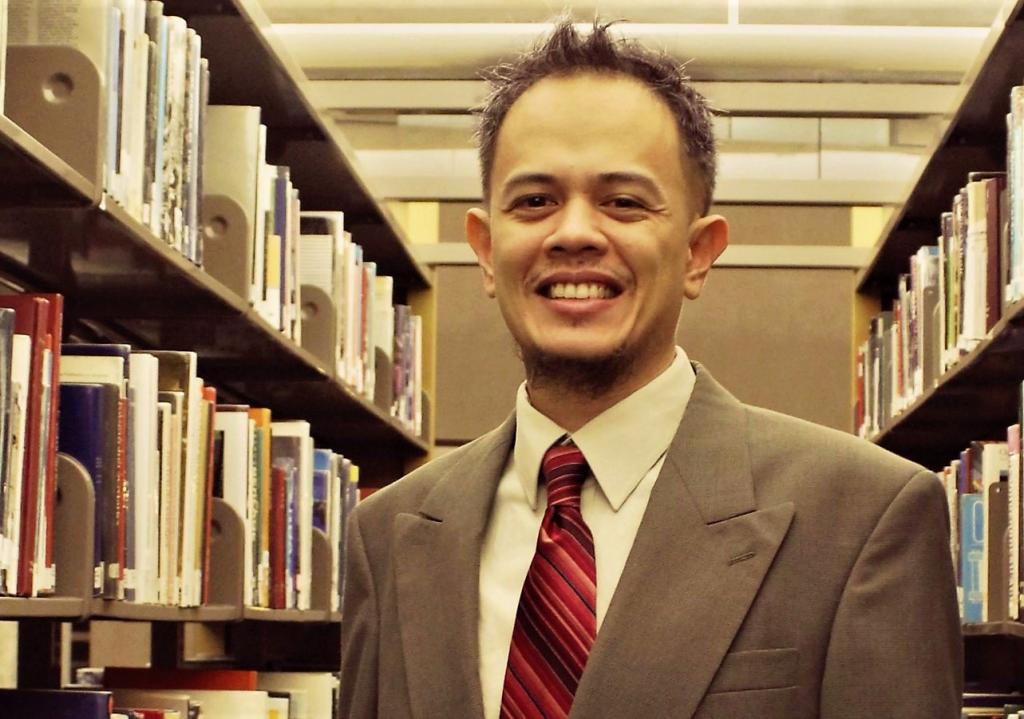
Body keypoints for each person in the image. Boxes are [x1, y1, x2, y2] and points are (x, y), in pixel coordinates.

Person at [339, 18, 962, 719]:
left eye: (624, 202)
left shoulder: (863, 521)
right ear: (486, 249)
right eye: (534, 201)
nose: (574, 232)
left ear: (699, 252)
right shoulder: (388, 537)